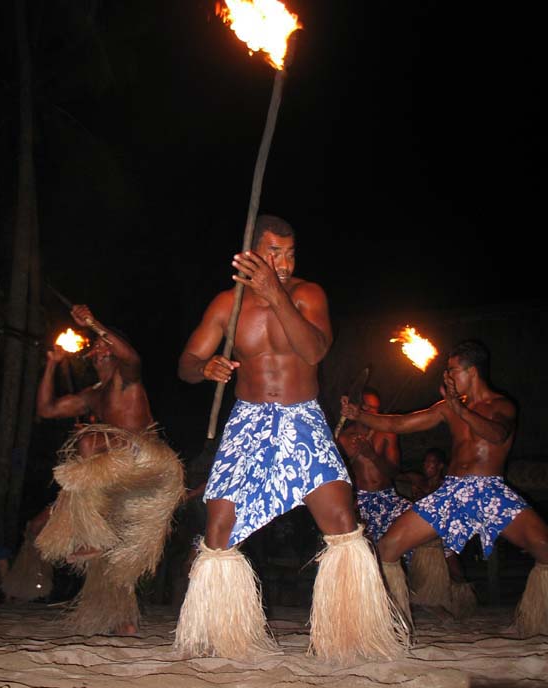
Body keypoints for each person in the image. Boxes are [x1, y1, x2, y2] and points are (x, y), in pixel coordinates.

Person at [174, 214, 407, 663]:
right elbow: (186, 361)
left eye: (290, 251)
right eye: (274, 251)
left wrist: (275, 292)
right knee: (219, 526)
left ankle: (354, 634)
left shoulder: (306, 294)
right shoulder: (227, 304)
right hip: (248, 421)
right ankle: (225, 636)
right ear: (252, 251)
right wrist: (204, 368)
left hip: (303, 419)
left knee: (340, 519)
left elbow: (315, 350)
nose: (283, 261)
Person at [341, 339, 548, 636]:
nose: (448, 377)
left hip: (490, 492)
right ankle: (390, 623)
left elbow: (498, 435)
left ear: (471, 371)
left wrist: (460, 411)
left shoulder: (501, 405)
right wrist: (359, 415)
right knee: (389, 546)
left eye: (452, 371)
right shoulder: (448, 408)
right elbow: (401, 424)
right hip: (451, 493)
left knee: (544, 547)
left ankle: (539, 623)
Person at [34, 303, 185, 636]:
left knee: (87, 442)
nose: (101, 350)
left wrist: (94, 324)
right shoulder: (92, 395)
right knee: (109, 559)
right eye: (97, 348)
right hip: (119, 479)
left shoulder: (126, 380)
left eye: (107, 345)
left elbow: (132, 357)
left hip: (146, 460)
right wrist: (52, 365)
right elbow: (46, 409)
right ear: (90, 359)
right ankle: (123, 620)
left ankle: (91, 531)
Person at [336, 386, 411, 547]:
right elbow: (339, 478)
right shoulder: (343, 439)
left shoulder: (386, 433)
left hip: (388, 498)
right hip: (361, 502)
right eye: (367, 407)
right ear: (357, 407)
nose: (371, 412)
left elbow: (394, 472)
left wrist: (372, 455)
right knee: (366, 549)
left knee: (415, 531)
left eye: (375, 408)